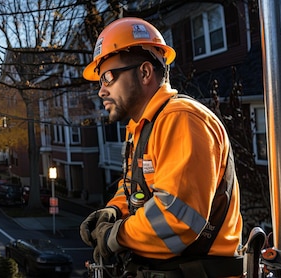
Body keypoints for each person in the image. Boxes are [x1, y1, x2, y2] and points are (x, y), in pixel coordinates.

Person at [79, 17, 243, 277]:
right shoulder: (142, 127)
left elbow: (176, 221)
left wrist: (114, 236)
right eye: (99, 82)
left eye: (108, 77)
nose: (101, 91)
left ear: (145, 72)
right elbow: (136, 189)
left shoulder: (181, 119)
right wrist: (114, 211)